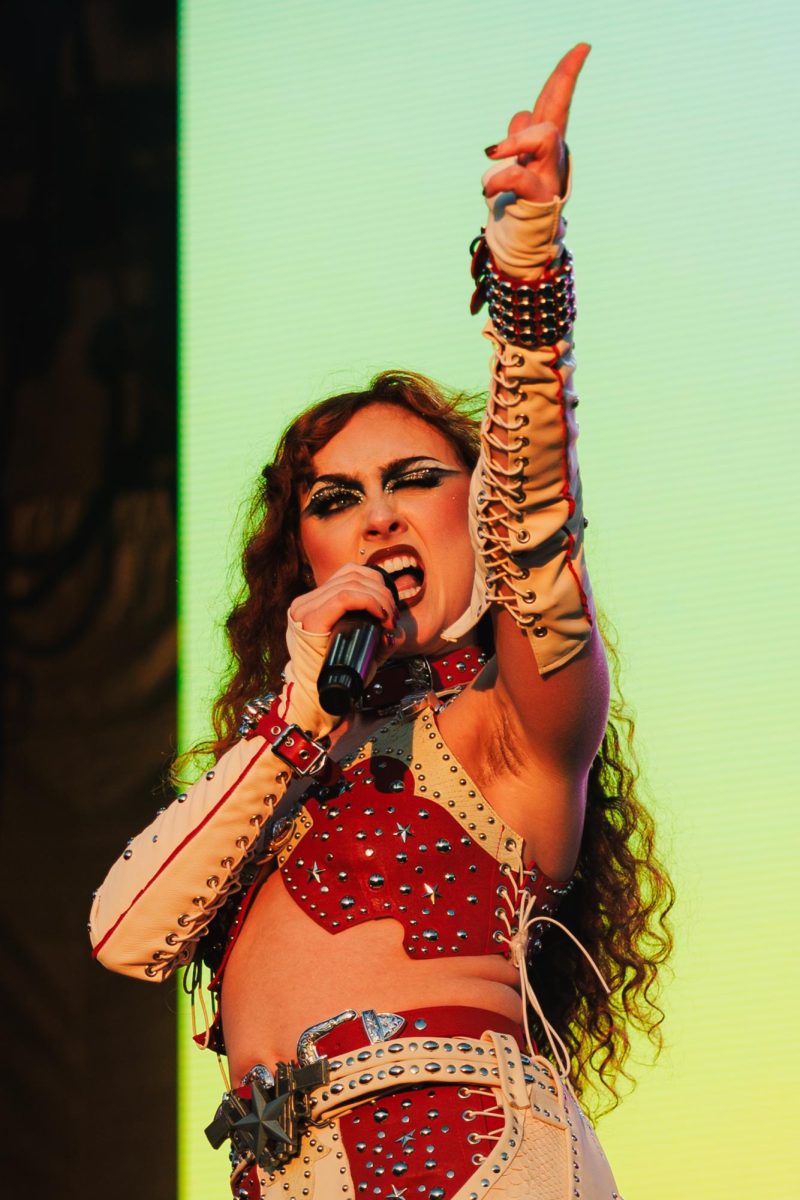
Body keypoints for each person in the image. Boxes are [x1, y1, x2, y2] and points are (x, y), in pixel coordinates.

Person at [90, 45, 673, 1199]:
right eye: (334, 499)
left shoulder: (510, 728)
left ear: (472, 509)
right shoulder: (280, 749)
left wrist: (523, 271)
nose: (377, 519)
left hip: (475, 1148)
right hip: (279, 1171)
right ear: (297, 554)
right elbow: (125, 934)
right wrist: (302, 712)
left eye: (413, 479)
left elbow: (538, 533)